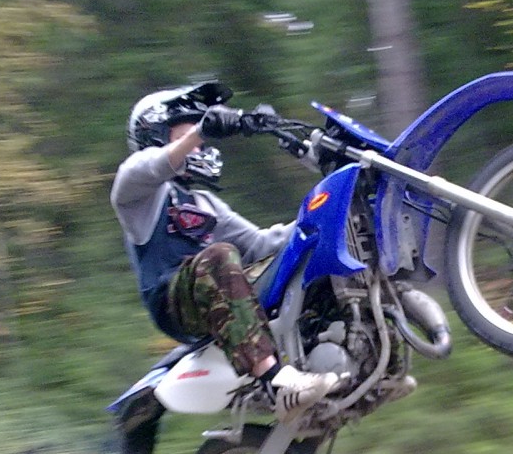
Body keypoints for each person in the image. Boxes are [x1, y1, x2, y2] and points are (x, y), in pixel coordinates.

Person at [111, 80, 341, 426]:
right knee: (219, 256)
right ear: (156, 136)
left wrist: (321, 219)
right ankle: (277, 380)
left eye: (200, 136)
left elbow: (261, 244)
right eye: (188, 134)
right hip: (174, 301)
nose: (198, 145)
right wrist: (202, 130)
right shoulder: (136, 193)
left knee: (296, 260)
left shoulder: (204, 202)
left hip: (212, 289)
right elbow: (150, 166)